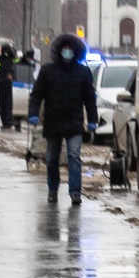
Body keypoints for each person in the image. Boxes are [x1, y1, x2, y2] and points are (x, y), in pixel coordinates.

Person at [33, 33, 99, 205]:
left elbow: (90, 98)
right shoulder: (48, 71)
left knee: (74, 156)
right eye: (65, 49)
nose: (67, 52)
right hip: (53, 121)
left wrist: (93, 119)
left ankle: (75, 192)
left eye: (70, 49)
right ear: (59, 51)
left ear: (76, 52)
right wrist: (33, 113)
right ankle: (53, 189)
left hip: (74, 122)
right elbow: (37, 94)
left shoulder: (83, 72)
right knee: (51, 159)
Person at [0, 42, 18, 130]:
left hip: (12, 85)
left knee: (9, 104)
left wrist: (12, 76)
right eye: (4, 50)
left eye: (8, 50)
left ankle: (10, 120)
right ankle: (5, 122)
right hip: (2, 84)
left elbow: (19, 67)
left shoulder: (14, 60)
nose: (6, 52)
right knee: (3, 104)